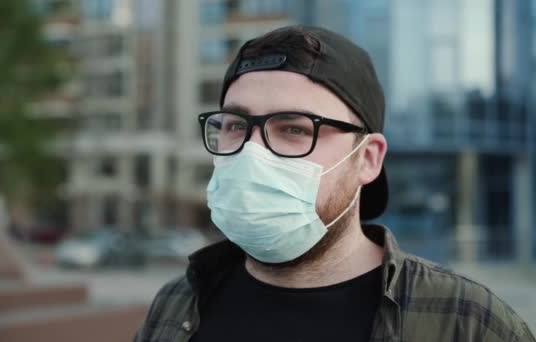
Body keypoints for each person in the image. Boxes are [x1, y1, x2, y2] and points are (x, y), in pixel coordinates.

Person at [134, 25, 535, 342]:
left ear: (368, 159)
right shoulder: (176, 304)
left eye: (294, 128)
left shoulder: (465, 321)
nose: (251, 153)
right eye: (237, 125)